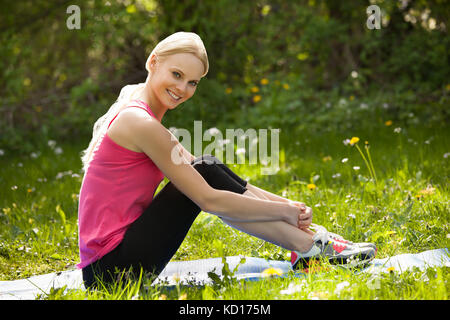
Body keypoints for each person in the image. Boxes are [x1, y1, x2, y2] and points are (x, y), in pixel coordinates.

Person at [77, 31, 376, 289]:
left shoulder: (140, 108)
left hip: (120, 258)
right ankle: (309, 248)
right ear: (153, 62)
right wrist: (282, 210)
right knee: (205, 173)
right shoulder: (139, 122)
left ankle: (310, 243)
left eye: (192, 82)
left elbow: (210, 173)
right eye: (177, 75)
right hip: (111, 273)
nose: (182, 89)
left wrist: (289, 208)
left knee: (206, 166)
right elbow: (210, 200)